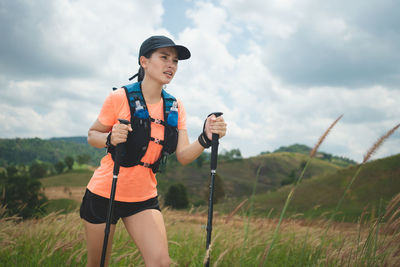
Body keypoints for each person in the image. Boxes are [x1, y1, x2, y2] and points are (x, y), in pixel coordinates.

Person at [80, 35, 227, 267]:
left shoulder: (175, 106)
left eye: (175, 61)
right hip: (104, 194)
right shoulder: (120, 97)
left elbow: (183, 155)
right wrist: (109, 137)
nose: (171, 65)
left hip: (143, 197)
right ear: (144, 62)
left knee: (160, 263)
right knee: (98, 264)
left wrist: (205, 138)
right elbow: (92, 135)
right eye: (164, 57)